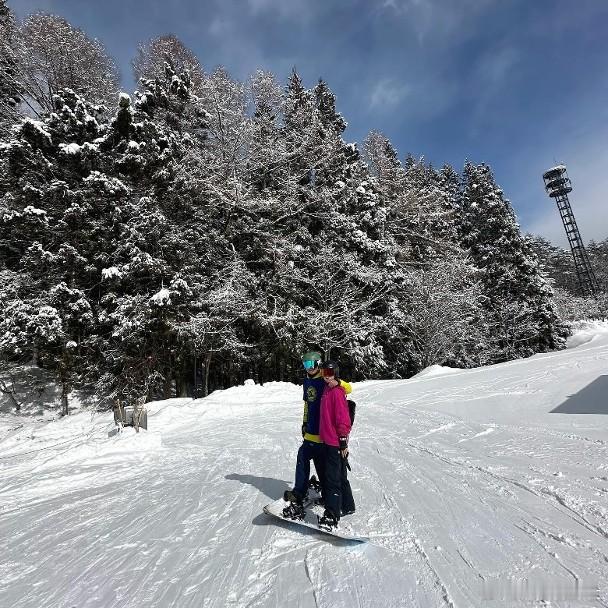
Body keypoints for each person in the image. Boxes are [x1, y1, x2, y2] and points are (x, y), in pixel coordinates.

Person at [284, 351, 352, 511]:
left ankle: (332, 498)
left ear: (317, 363)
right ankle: (299, 492)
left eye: (310, 364)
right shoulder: (307, 381)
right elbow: (307, 404)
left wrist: (339, 382)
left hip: (324, 434)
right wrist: (304, 422)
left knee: (324, 468)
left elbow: (348, 389)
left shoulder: (325, 379)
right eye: (305, 365)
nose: (307, 368)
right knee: (302, 458)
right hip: (311, 431)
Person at [318, 360, 355, 529]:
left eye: (331, 373)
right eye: (325, 373)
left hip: (335, 442)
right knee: (339, 475)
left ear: (336, 373)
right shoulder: (327, 389)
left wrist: (342, 440)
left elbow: (343, 419)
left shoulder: (337, 392)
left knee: (332, 478)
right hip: (328, 440)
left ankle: (332, 514)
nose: (328, 377)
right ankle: (347, 505)